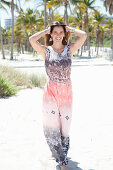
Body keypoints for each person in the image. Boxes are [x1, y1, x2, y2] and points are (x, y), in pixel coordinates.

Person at [29, 21, 87, 170]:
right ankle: (62, 161)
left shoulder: (70, 50)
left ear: (64, 33)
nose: (58, 35)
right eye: (55, 32)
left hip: (66, 93)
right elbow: (31, 40)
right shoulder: (46, 51)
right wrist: (44, 31)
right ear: (51, 34)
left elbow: (84, 36)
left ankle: (57, 152)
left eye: (61, 32)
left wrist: (70, 30)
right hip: (51, 92)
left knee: (65, 128)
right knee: (52, 126)